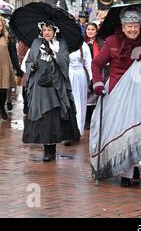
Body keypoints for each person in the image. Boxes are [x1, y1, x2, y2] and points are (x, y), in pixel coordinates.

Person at [91, 6, 141, 187]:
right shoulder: (111, 41)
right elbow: (96, 64)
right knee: (121, 129)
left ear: (140, 26)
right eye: (129, 26)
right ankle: (124, 170)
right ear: (123, 26)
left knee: (138, 129)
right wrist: (98, 83)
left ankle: (134, 168)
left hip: (140, 91)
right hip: (117, 91)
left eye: (136, 25)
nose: (132, 29)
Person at [22, 21, 80, 162]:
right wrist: (32, 67)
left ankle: (51, 150)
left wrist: (54, 54)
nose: (47, 32)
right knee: (41, 118)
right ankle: (46, 149)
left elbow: (65, 62)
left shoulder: (61, 44)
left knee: (53, 118)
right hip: (39, 86)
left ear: (55, 31)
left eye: (49, 29)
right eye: (44, 29)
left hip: (55, 86)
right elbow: (28, 62)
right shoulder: (36, 43)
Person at [84, 22, 106, 129]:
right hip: (86, 72)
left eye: (92, 29)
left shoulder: (101, 43)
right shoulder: (82, 43)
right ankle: (86, 120)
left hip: (98, 71)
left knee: (96, 95)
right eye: (88, 29)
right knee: (87, 96)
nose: (90, 31)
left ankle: (95, 118)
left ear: (96, 31)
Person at [69, 42, 92, 139]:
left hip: (80, 75)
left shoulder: (83, 45)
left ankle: (78, 129)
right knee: (70, 101)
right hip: (68, 74)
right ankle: (70, 129)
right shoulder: (63, 43)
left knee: (81, 102)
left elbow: (88, 63)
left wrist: (92, 77)